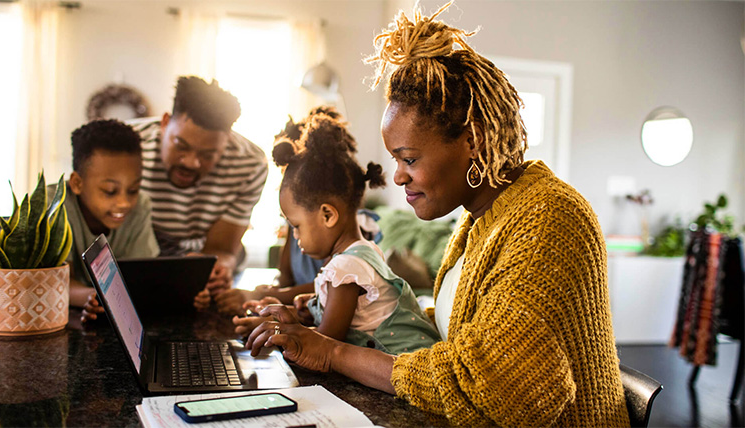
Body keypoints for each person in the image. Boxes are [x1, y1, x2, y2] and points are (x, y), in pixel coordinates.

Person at [241, 3, 631, 427]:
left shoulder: (549, 218)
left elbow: (501, 384)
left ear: (473, 140)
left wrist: (334, 352)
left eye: (408, 158)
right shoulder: (479, 218)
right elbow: (462, 331)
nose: (398, 176)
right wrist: (323, 317)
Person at [234, 113, 440, 355]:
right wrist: (312, 305)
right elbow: (358, 315)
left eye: (297, 226)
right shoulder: (360, 253)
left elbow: (325, 344)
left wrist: (276, 329)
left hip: (406, 369)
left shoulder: (346, 267)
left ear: (328, 216)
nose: (295, 236)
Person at [213, 108, 382, 315]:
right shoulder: (300, 225)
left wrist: (258, 297)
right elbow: (285, 278)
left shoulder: (352, 242)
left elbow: (332, 289)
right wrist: (269, 298)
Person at [128, 76, 268, 307]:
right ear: (164, 123)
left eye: (208, 155)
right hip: (139, 254)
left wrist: (215, 268)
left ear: (227, 141)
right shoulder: (128, 145)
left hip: (201, 259)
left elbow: (222, 249)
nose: (192, 163)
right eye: (181, 146)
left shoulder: (250, 163)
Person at [49, 119, 159, 322]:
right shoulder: (55, 205)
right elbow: (56, 281)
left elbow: (141, 277)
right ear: (77, 183)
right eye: (110, 191)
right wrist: (91, 297)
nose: (124, 202)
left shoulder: (141, 206)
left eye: (133, 190)